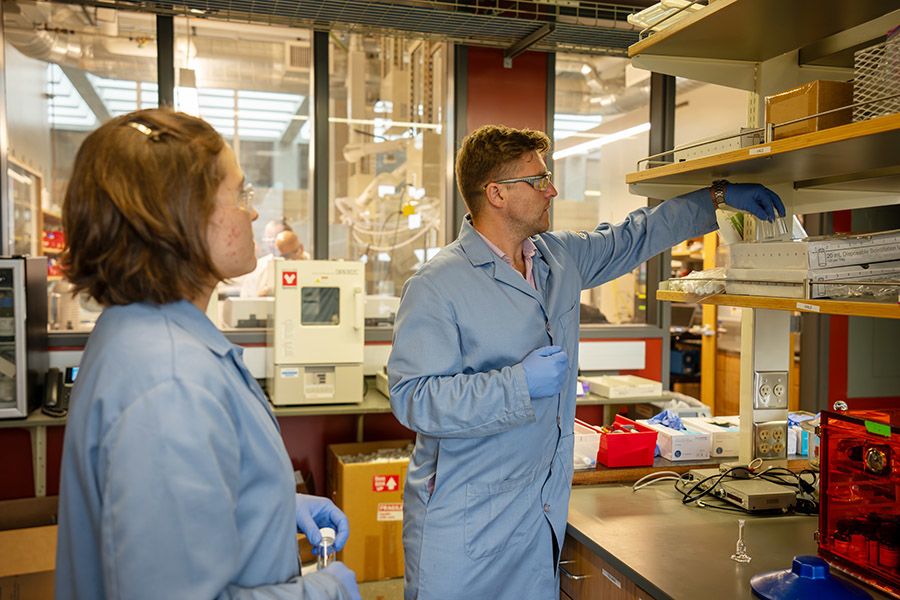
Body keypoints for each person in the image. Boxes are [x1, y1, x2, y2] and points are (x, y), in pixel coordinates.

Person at [387, 124, 785, 600]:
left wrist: (717, 197)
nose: (551, 189)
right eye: (537, 180)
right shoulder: (438, 284)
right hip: (466, 517)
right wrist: (519, 384)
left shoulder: (558, 258)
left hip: (539, 511)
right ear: (495, 194)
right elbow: (414, 399)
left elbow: (637, 235)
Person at [55, 108, 361, 600]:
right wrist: (326, 592)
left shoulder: (140, 330)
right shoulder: (172, 382)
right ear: (182, 213)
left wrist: (275, 505)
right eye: (240, 194)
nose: (253, 212)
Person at [240, 219, 293, 297]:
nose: (272, 245)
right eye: (268, 239)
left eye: (275, 239)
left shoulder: (303, 262)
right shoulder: (258, 267)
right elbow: (245, 298)